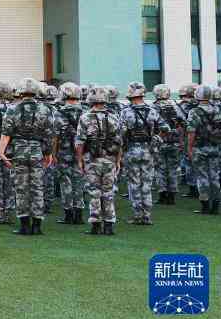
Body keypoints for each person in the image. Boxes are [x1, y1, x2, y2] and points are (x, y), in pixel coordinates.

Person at [0, 78, 55, 236]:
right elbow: (49, 135)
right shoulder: (45, 109)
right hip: (37, 151)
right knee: (37, 188)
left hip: (19, 151)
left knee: (21, 189)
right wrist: (48, 153)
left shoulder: (12, 109)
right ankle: (37, 225)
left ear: (20, 91)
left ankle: (24, 225)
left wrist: (2, 152)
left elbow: (6, 133)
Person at [76, 86, 124, 235]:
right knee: (108, 192)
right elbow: (119, 142)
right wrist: (118, 160)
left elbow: (80, 142)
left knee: (94, 192)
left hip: (92, 159)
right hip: (110, 159)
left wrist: (80, 160)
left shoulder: (85, 117)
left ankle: (95, 225)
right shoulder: (114, 117)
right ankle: (109, 225)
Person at [120, 82, 169, 225]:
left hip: (131, 151)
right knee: (147, 184)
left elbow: (120, 133)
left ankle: (137, 215)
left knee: (134, 183)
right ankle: (147, 216)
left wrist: (122, 150)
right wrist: (157, 139)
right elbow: (166, 128)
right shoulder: (152, 111)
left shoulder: (125, 112)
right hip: (148, 151)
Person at [186, 85, 221, 215]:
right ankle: (216, 206)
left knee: (202, 176)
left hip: (199, 148)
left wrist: (189, 148)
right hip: (215, 147)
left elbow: (191, 132)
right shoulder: (217, 109)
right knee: (214, 176)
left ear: (197, 95)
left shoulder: (194, 111)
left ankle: (205, 206)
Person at [52, 83, 85, 225]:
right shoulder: (85, 111)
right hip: (81, 152)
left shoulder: (59, 113)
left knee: (66, 183)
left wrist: (53, 154)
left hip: (63, 152)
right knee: (79, 182)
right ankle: (79, 215)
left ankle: (68, 214)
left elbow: (55, 136)